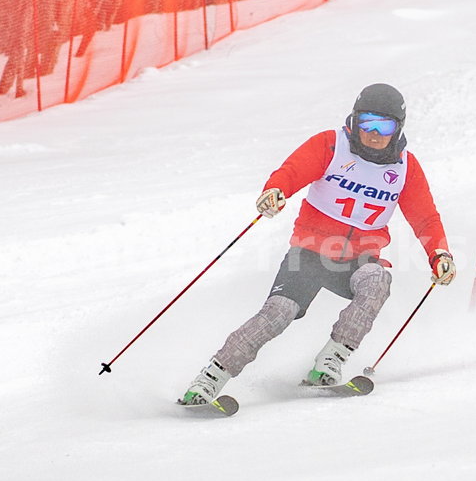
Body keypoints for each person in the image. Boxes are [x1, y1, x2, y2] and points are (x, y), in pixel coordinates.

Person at [180, 82, 455, 405]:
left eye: (385, 126)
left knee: (378, 280)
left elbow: (425, 218)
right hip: (308, 255)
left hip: (359, 259)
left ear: (398, 129)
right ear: (354, 120)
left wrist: (439, 253)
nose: (375, 133)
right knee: (277, 313)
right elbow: (293, 170)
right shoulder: (331, 145)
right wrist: (276, 190)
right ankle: (210, 378)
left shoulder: (405, 168)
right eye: (367, 123)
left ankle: (330, 362)